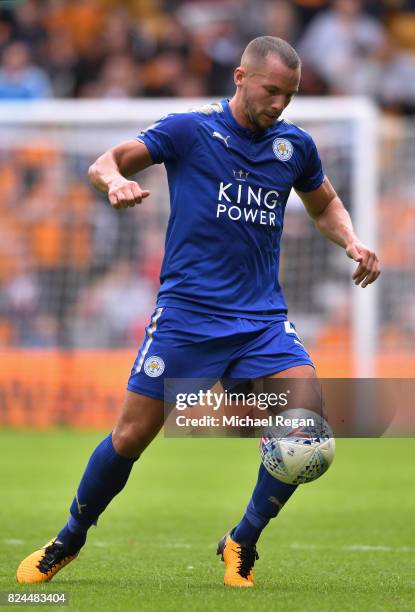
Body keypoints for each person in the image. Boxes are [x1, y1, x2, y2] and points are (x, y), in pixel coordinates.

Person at [16, 36, 380, 588]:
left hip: (260, 321)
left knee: (307, 428)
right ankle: (69, 537)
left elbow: (324, 203)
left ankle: (244, 539)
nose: (280, 104)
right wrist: (115, 181)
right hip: (187, 315)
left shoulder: (294, 148)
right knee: (130, 438)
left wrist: (351, 240)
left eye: (291, 95)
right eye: (271, 90)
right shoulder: (189, 130)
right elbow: (105, 161)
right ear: (240, 77)